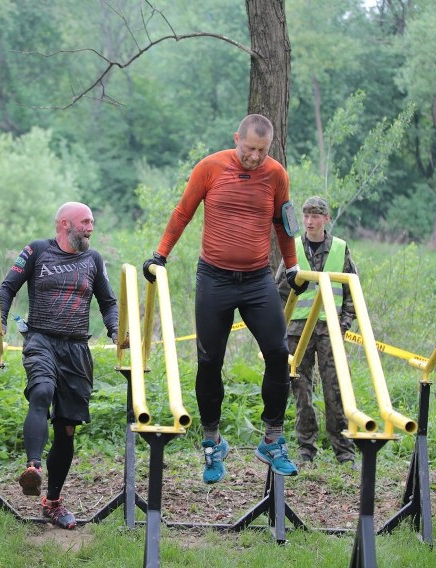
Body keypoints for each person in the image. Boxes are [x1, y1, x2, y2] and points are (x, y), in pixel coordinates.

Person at [142, 114, 306, 484]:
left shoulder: (276, 174)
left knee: (279, 353)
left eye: (262, 151)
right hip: (214, 278)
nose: (254, 156)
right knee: (209, 359)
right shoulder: (211, 167)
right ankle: (213, 441)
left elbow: (284, 224)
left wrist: (293, 267)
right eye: (249, 148)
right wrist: (160, 255)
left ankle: (273, 439)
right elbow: (183, 212)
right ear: (237, 138)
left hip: (257, 279)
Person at [0, 202, 120, 530]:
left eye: (92, 222)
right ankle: (32, 467)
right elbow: (6, 288)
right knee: (42, 391)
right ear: (65, 224)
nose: (91, 227)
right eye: (85, 222)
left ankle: (53, 502)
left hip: (76, 348)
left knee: (67, 428)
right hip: (41, 339)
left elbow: (109, 302)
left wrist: (117, 330)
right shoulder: (37, 251)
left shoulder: (93, 259)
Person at [275, 196, 357, 466]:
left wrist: (344, 323)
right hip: (297, 331)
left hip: (330, 330)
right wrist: (279, 325)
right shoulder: (294, 248)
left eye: (315, 215)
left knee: (336, 389)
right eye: (306, 215)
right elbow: (279, 291)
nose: (310, 221)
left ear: (326, 218)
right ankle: (305, 449)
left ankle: (344, 451)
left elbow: (351, 291)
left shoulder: (340, 248)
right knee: (301, 390)